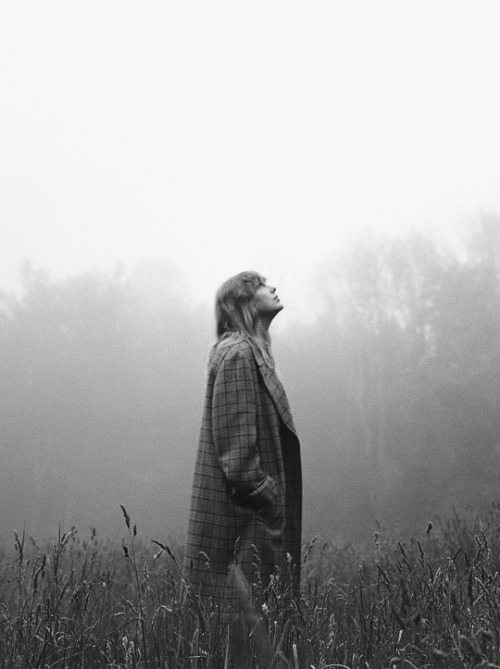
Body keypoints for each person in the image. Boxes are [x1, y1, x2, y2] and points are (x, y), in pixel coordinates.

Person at [183, 271, 302, 602]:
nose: (274, 287)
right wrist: (269, 495)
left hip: (251, 522)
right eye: (262, 285)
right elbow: (236, 455)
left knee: (250, 640)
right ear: (244, 303)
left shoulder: (250, 352)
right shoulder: (239, 354)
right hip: (244, 525)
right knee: (247, 641)